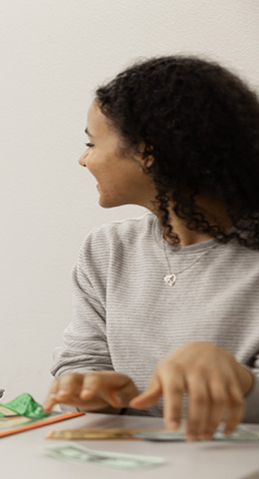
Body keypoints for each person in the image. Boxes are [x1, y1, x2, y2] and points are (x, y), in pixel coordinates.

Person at [44, 55, 259, 441]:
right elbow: (82, 362)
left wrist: (240, 379)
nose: (83, 159)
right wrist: (96, 392)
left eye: (92, 143)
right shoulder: (107, 249)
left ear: (148, 153)